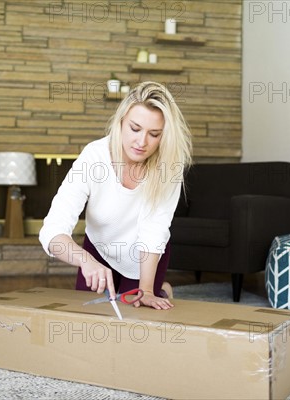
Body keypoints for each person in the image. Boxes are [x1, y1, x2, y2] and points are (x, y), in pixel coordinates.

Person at [39, 81, 192, 310]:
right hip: (98, 249)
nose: (142, 142)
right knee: (90, 311)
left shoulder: (169, 165)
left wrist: (147, 291)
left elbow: (154, 230)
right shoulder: (94, 156)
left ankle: (162, 288)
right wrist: (86, 261)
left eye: (154, 134)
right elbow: (52, 230)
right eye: (135, 128)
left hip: (144, 256)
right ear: (121, 122)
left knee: (137, 310)